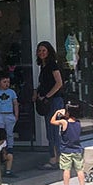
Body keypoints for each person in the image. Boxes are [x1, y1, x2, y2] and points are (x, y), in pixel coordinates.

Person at [33, 41, 64, 169]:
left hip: (54, 101)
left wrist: (47, 96)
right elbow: (45, 84)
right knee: (50, 131)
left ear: (49, 51)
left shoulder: (52, 65)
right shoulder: (43, 66)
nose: (41, 53)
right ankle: (55, 157)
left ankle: (55, 159)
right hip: (47, 101)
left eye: (44, 50)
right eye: (39, 51)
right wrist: (37, 92)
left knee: (53, 130)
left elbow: (59, 83)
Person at [50, 101, 87, 185]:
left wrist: (57, 113)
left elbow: (52, 121)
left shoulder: (64, 122)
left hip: (66, 150)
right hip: (77, 149)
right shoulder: (78, 122)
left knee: (66, 169)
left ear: (68, 113)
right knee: (79, 169)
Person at [0, 71, 19, 152]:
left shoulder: (12, 92)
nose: (7, 84)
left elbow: (15, 104)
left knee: (9, 133)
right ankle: (0, 148)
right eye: (4, 82)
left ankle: (10, 148)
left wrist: (16, 115)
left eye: (8, 82)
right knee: (0, 133)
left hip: (9, 115)